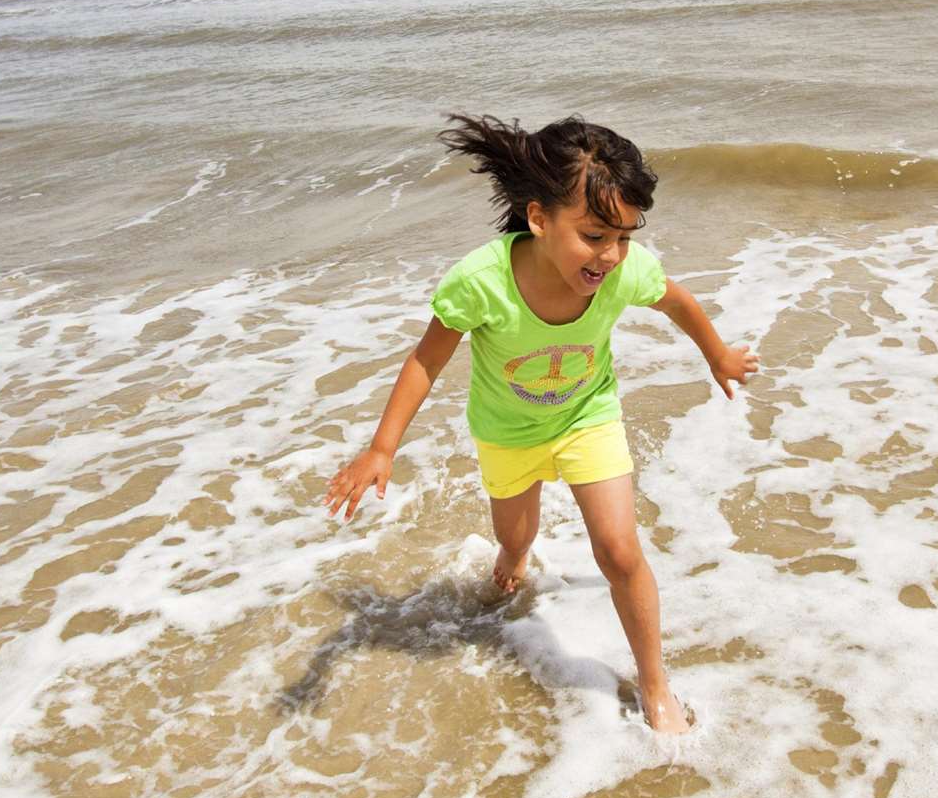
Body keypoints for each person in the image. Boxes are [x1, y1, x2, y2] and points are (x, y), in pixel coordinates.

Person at [321, 113, 758, 734]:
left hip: (589, 415)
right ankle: (516, 556)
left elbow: (678, 301)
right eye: (594, 235)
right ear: (538, 219)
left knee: (619, 550)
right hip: (508, 432)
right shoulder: (483, 281)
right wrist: (381, 449)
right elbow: (426, 358)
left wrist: (717, 355)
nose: (611, 255)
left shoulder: (623, 270)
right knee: (515, 537)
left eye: (625, 237)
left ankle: (656, 683)